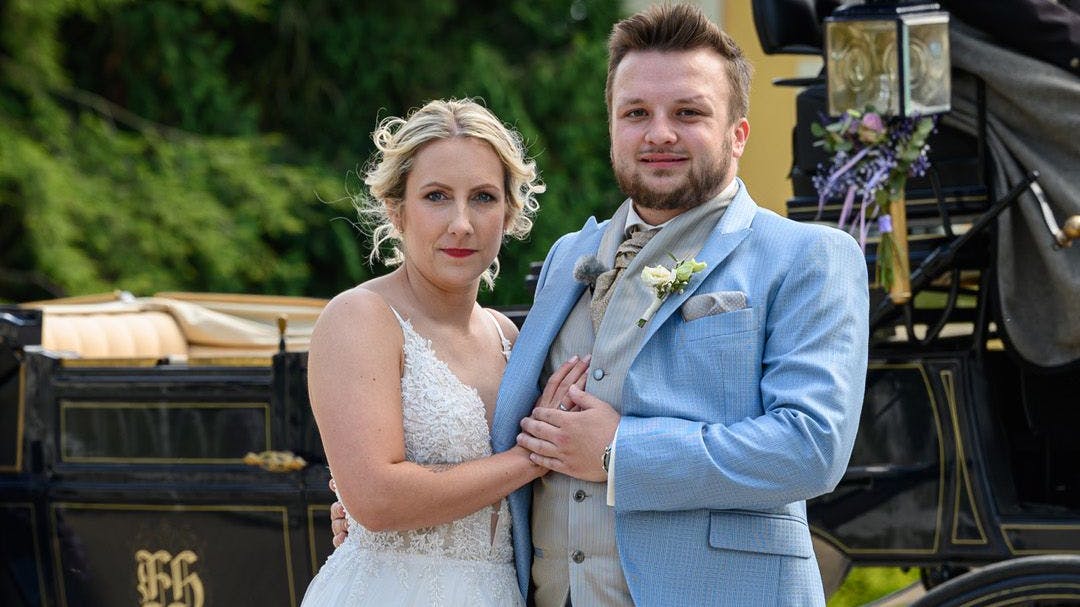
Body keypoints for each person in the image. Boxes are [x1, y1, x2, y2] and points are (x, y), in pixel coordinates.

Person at [333, 4, 869, 605]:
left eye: (688, 112)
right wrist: (394, 513)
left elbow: (811, 447)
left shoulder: (808, 256)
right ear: (612, 128)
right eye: (636, 113)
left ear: (737, 134)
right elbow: (514, 434)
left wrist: (622, 453)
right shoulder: (568, 256)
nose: (659, 133)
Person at [302, 98, 592, 606]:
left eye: (483, 197)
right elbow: (377, 499)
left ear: (509, 213)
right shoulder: (359, 318)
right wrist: (532, 457)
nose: (461, 223)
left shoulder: (509, 337)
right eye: (436, 196)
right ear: (396, 209)